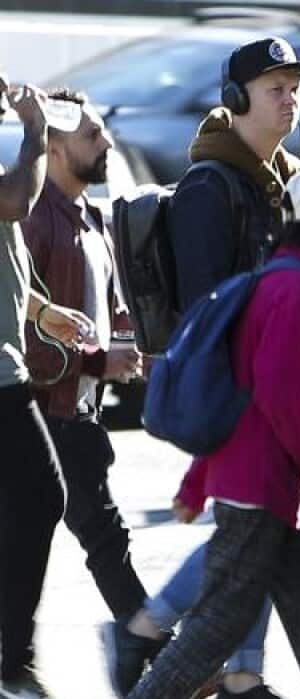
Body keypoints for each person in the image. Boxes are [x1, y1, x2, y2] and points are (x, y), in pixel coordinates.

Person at [114, 164, 300, 699]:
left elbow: (240, 391)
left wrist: (202, 481)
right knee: (215, 629)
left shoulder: (295, 281)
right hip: (265, 490)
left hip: (275, 491)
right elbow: (279, 396)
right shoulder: (298, 290)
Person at [104, 36, 300, 699]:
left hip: (273, 386)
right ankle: (148, 629)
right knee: (250, 534)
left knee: (260, 533)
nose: (290, 100)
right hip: (234, 391)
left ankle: (242, 679)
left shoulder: (285, 180)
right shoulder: (211, 186)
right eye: (275, 89)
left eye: (295, 88)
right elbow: (207, 307)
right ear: (236, 99)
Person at [20, 87, 150, 643]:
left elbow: (108, 312)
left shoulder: (91, 219)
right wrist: (97, 359)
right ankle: (154, 647)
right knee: (96, 533)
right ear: (51, 147)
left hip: (81, 411)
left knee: (92, 533)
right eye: (92, 135)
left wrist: (125, 355)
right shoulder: (33, 221)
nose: (107, 142)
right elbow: (24, 325)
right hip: (45, 416)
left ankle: (147, 644)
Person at [0, 75, 88, 699]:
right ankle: (11, 669)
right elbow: (13, 203)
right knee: (41, 494)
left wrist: (40, 311)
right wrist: (35, 130)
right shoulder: (20, 159)